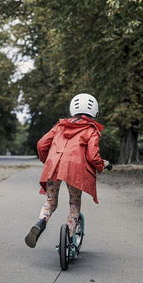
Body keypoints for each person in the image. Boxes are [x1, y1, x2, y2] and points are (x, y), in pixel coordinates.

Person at [25, 93, 111, 248]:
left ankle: (40, 222)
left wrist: (48, 160)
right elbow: (92, 156)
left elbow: (41, 144)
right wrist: (103, 164)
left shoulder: (60, 126)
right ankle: (69, 241)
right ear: (94, 111)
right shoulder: (91, 130)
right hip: (75, 171)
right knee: (74, 203)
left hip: (54, 166)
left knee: (50, 201)